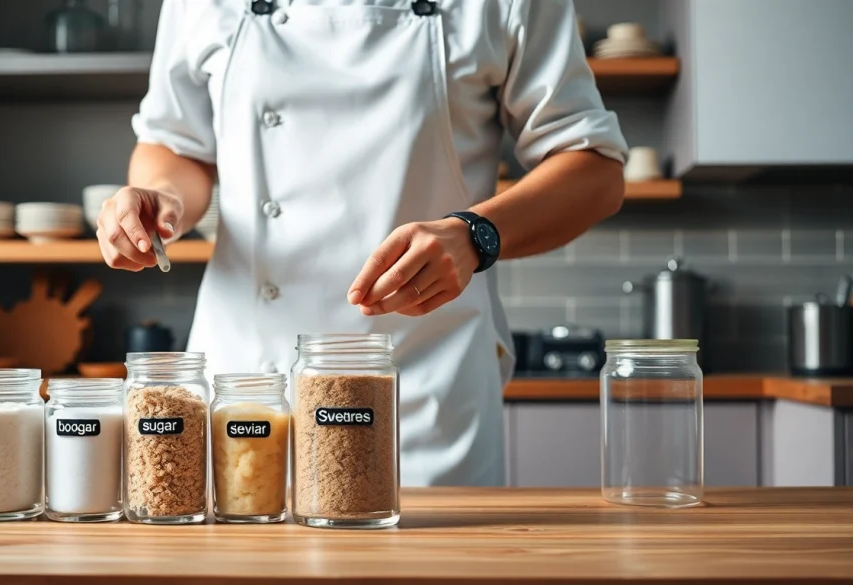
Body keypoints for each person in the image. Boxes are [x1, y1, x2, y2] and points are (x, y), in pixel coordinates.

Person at [96, 0, 628, 487]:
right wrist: (161, 197)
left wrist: (474, 235)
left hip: (422, 392)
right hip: (245, 390)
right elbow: (174, 143)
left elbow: (594, 174)